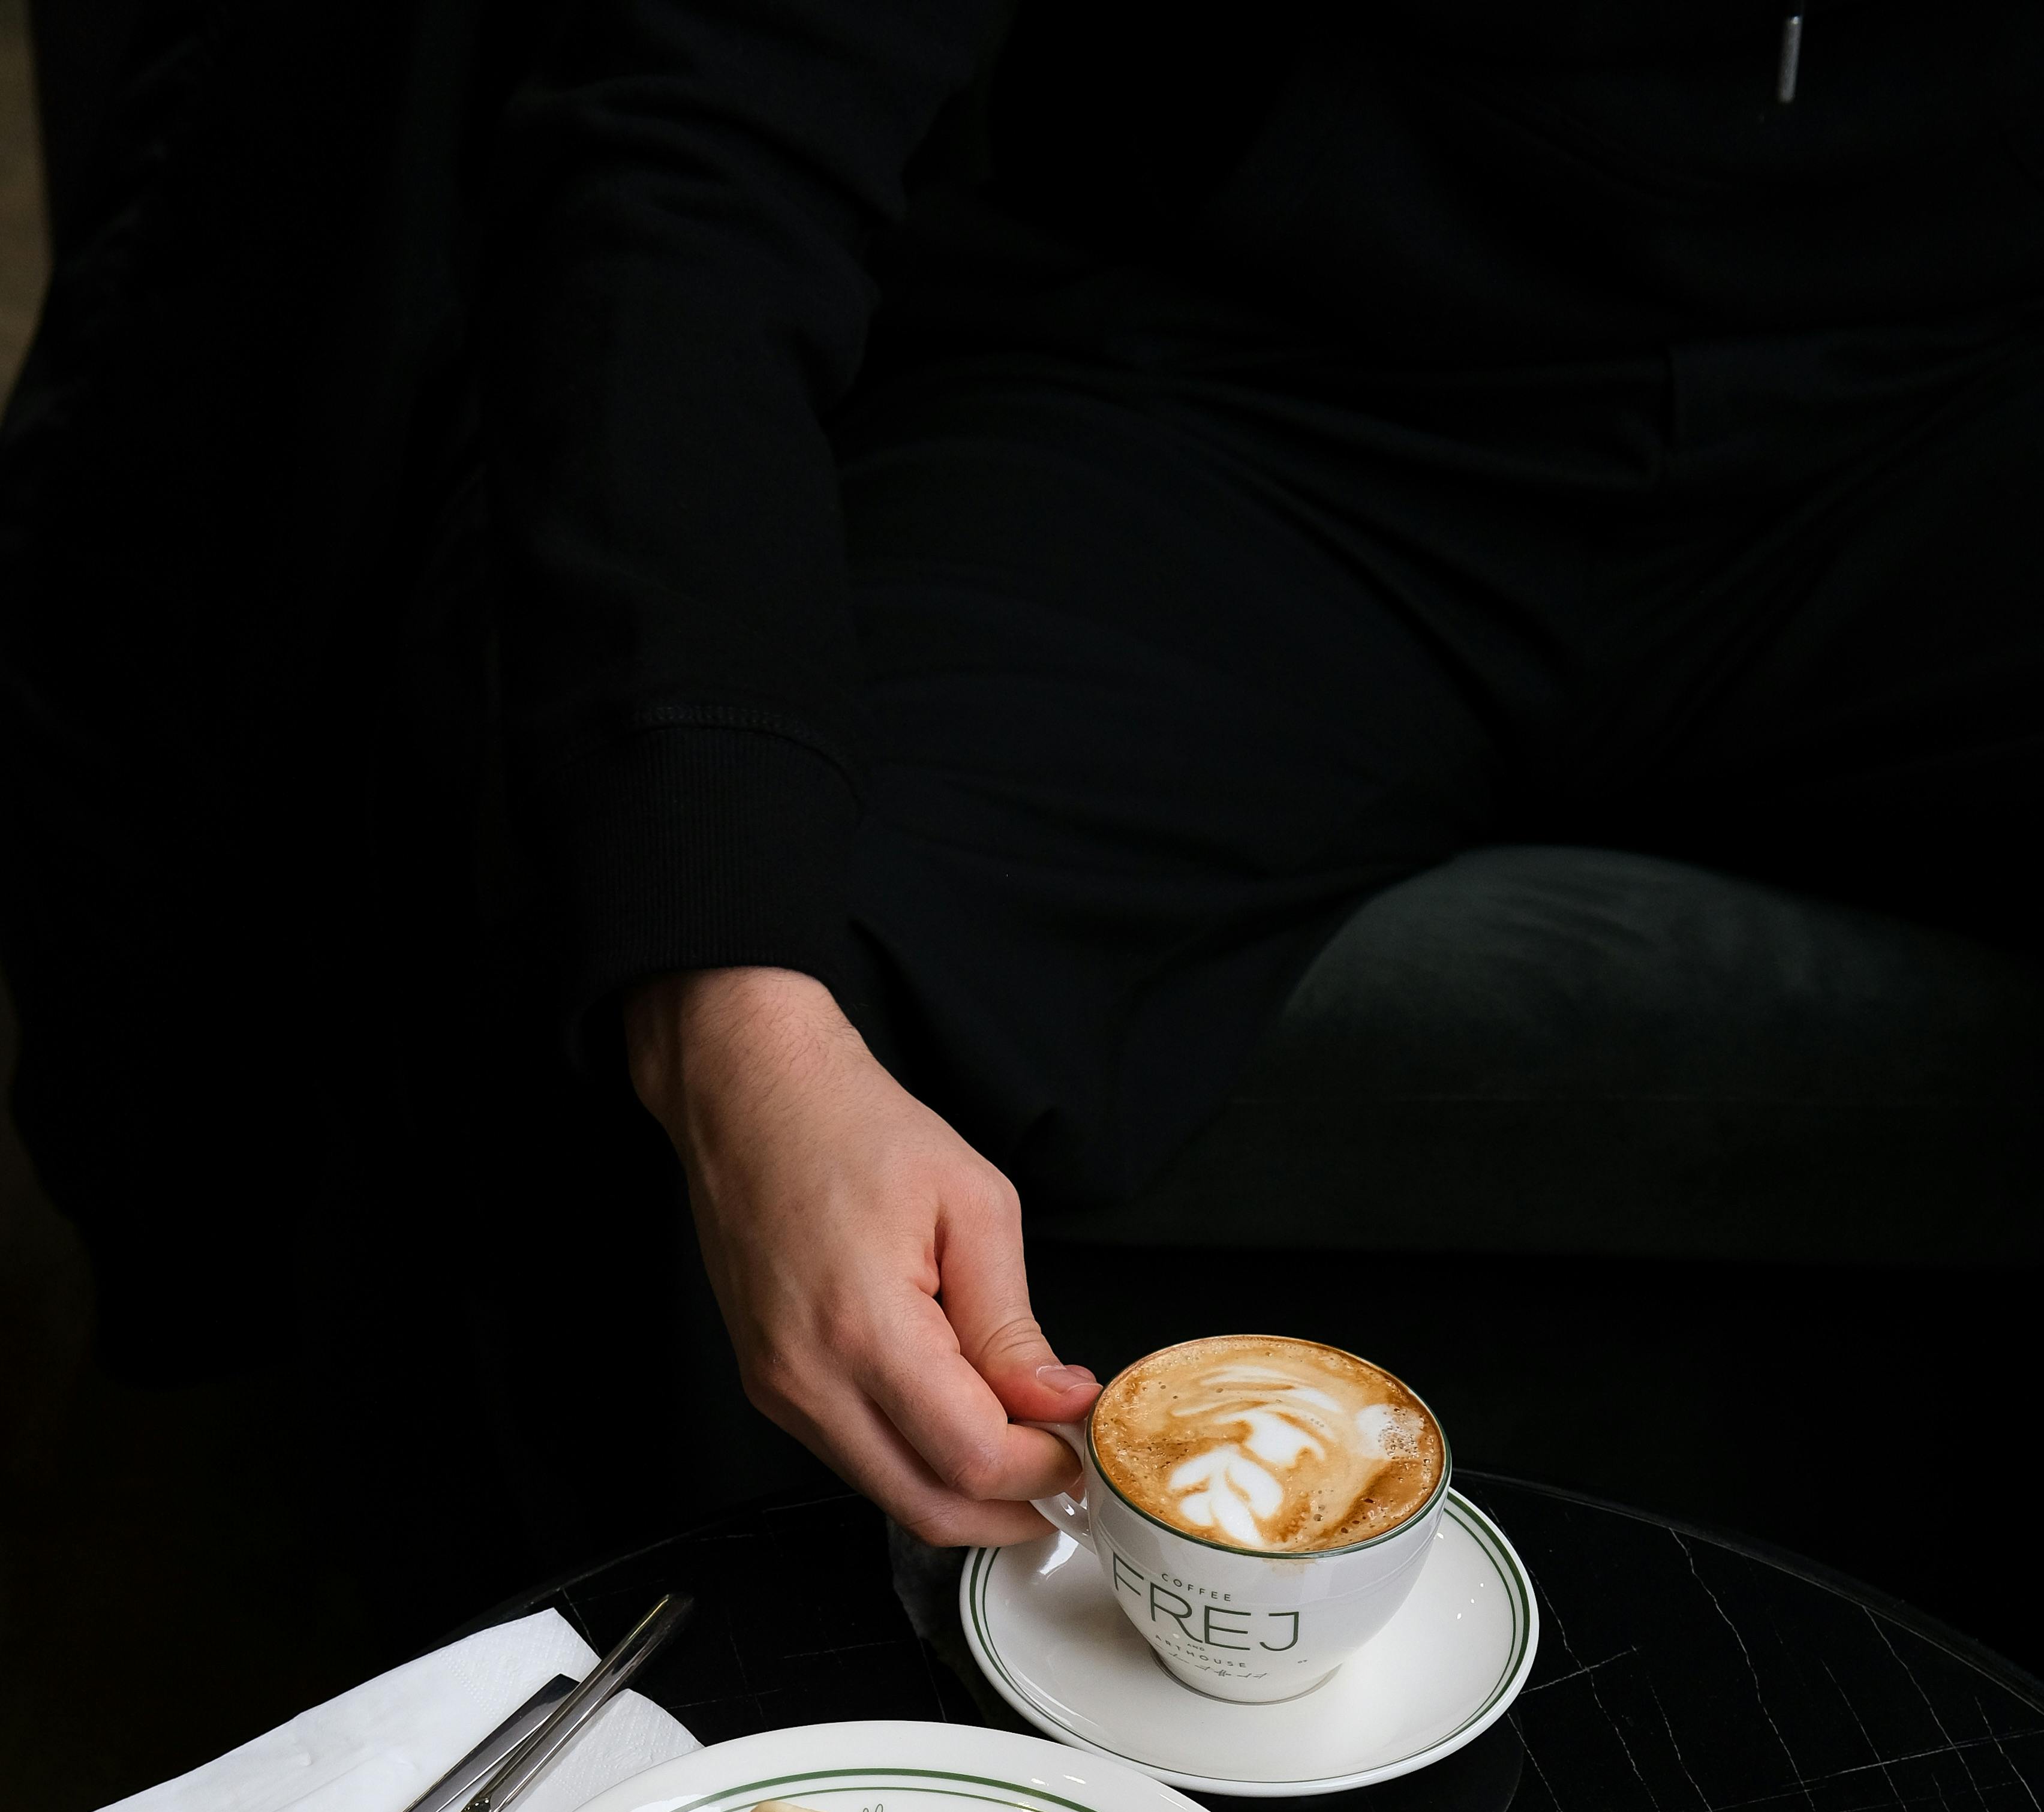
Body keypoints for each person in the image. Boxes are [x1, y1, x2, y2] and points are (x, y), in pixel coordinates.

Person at [482, 0, 2043, 1545]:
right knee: (747, 915)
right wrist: (731, 1013)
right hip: (1235, 400)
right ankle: (720, 1770)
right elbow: (705, 136)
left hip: (1941, 417)